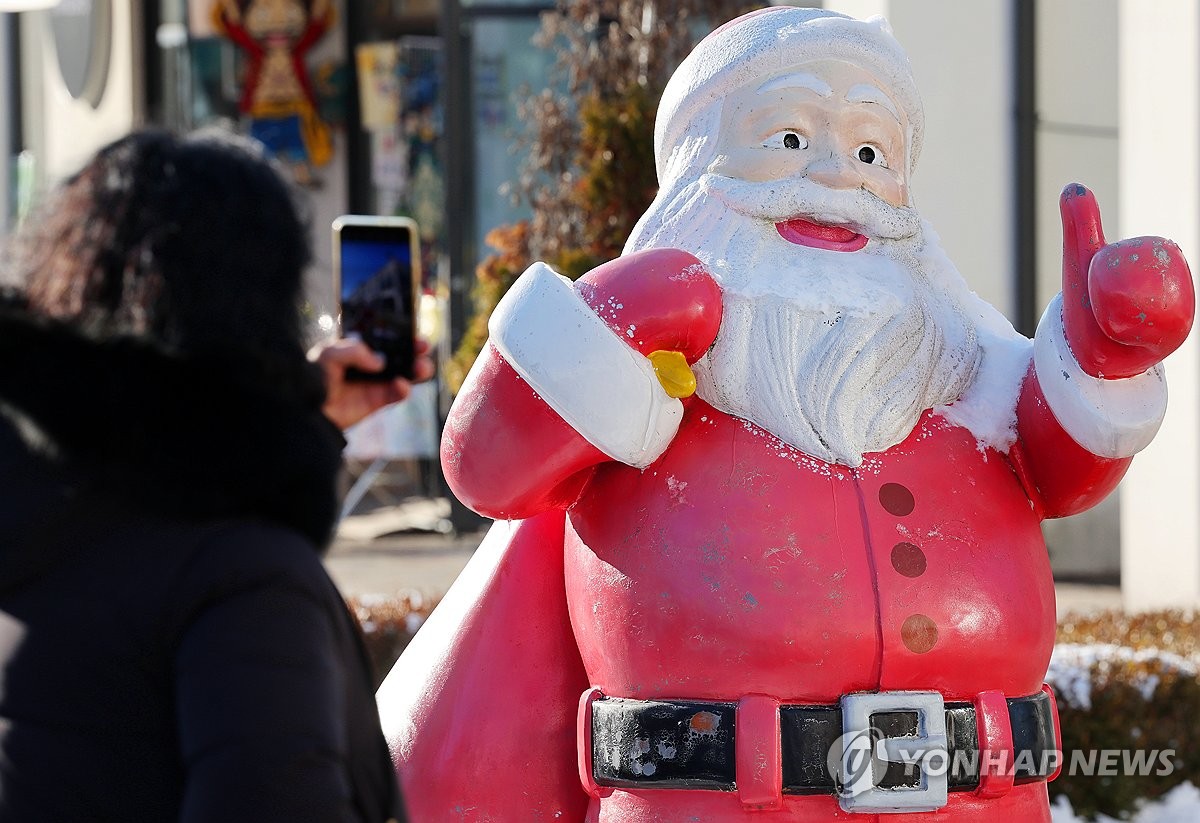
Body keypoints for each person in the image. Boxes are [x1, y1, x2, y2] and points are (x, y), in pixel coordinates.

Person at [377, 7, 1193, 823]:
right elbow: (485, 464)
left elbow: (1063, 463)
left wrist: (1101, 358)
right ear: (701, 169)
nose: (838, 178)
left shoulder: (959, 366)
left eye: (872, 151)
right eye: (790, 140)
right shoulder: (638, 385)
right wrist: (608, 321)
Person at [0, 128, 417, 822]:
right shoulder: (241, 577)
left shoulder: (34, 509)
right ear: (262, 309)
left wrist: (295, 414)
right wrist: (275, 424)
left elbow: (161, 440)